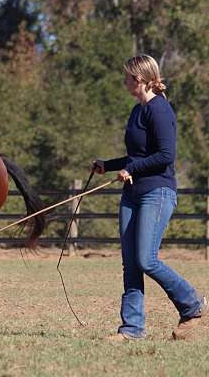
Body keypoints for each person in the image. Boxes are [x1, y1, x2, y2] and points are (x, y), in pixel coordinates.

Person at [93, 54, 206, 341]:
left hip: (157, 192)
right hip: (132, 194)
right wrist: (110, 165)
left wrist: (132, 168)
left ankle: (192, 305)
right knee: (130, 263)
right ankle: (131, 328)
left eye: (127, 77)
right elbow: (137, 155)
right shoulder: (136, 111)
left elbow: (166, 156)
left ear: (140, 79)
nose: (124, 81)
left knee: (146, 259)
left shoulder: (160, 111)